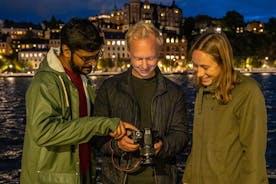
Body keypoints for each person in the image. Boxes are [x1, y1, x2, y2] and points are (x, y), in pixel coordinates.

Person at [20, 18, 137, 184]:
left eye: (96, 56)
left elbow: (87, 129)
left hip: (82, 176)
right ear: (67, 51)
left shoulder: (84, 80)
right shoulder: (44, 83)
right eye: (86, 58)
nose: (93, 63)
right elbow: (44, 132)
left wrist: (117, 135)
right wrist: (102, 124)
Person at [93, 21, 189, 184]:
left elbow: (181, 136)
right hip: (117, 179)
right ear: (129, 52)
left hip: (161, 178)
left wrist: (162, 146)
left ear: (159, 52)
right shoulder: (109, 88)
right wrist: (118, 145)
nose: (144, 65)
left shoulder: (174, 92)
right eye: (138, 58)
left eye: (151, 58)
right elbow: (95, 134)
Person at [182, 31, 268, 184]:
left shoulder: (248, 92)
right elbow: (198, 147)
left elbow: (253, 156)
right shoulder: (203, 90)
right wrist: (188, 178)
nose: (200, 73)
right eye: (195, 65)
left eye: (205, 67)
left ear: (223, 63)